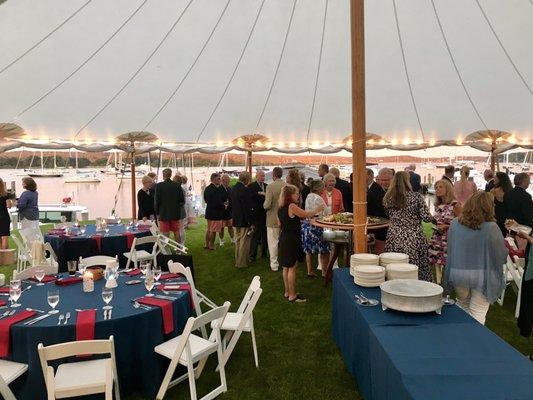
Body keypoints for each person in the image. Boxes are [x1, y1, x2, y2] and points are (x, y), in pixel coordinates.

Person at [444, 191, 507, 325]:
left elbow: (450, 247)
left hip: (459, 271)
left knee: (462, 305)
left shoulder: (455, 223)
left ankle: (460, 335)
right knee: (477, 310)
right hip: (481, 274)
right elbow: (500, 254)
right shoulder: (491, 227)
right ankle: (474, 340)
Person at [383, 171, 433, 281]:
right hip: (412, 235)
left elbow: (387, 214)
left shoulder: (388, 197)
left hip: (394, 234)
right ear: (408, 181)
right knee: (412, 267)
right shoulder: (416, 197)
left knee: (393, 264)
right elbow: (426, 217)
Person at [278, 184, 324, 302]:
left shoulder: (280, 207)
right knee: (292, 267)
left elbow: (279, 224)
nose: (298, 196)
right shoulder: (292, 206)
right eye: (296, 193)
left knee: (285, 267)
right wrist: (317, 209)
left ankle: (287, 292)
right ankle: (293, 295)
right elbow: (306, 214)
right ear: (290, 195)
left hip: (284, 238)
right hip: (291, 239)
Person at [428, 179, 461, 284]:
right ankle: (436, 288)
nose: (437, 189)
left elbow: (463, 224)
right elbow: (437, 221)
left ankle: (445, 291)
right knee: (434, 268)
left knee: (446, 268)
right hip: (436, 240)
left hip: (449, 240)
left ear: (448, 189)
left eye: (440, 187)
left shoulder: (455, 205)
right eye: (436, 187)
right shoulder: (438, 205)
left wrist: (447, 226)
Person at [301, 180, 330, 278]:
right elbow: (326, 212)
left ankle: (310, 271)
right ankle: (324, 272)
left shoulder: (308, 196)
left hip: (307, 224)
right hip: (317, 225)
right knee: (324, 250)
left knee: (308, 250)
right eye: (323, 187)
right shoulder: (319, 198)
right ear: (318, 188)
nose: (324, 189)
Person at [264, 167, 285, 272]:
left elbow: (267, 205)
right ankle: (284, 262)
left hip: (272, 218)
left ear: (273, 174)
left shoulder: (270, 187)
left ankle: (274, 265)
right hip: (285, 218)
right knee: (283, 241)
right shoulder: (286, 186)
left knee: (273, 242)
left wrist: (264, 204)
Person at [154, 168, 184, 243]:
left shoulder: (159, 186)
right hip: (175, 212)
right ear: (170, 175)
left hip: (163, 213)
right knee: (176, 232)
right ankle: (178, 250)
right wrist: (176, 207)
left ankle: (166, 251)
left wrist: (157, 212)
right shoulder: (177, 185)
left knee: (165, 232)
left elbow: (157, 201)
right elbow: (182, 201)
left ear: (163, 175)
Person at [231, 172, 254, 268]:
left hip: (236, 218)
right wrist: (250, 221)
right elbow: (247, 207)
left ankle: (237, 260)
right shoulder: (245, 190)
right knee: (243, 241)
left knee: (238, 240)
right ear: (246, 179)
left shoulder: (232, 188)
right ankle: (241, 262)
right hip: (244, 219)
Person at [367, 168, 389, 254]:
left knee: (380, 251)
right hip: (376, 225)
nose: (383, 182)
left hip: (381, 227)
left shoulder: (375, 188)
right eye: (381, 180)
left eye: (386, 180)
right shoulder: (374, 188)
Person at [203, 173, 226, 250]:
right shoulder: (215, 189)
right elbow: (218, 202)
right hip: (215, 213)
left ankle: (206, 244)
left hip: (209, 211)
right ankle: (211, 245)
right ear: (213, 179)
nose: (220, 180)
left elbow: (205, 200)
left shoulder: (207, 188)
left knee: (209, 229)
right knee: (213, 230)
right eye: (218, 179)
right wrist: (224, 206)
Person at [249, 170, 268, 261]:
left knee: (265, 235)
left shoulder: (266, 186)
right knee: (255, 235)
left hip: (265, 214)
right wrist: (259, 193)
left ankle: (264, 254)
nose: (263, 177)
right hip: (256, 214)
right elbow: (249, 198)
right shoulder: (252, 186)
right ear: (256, 176)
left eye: (264, 176)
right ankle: (252, 255)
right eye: (261, 176)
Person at [219, 174, 234, 245]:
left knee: (230, 226)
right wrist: (223, 204)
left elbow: (232, 199)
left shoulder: (230, 188)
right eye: (227, 180)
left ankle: (232, 239)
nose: (229, 181)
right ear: (223, 180)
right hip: (221, 212)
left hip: (229, 212)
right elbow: (217, 200)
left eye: (229, 180)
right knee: (221, 227)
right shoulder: (219, 189)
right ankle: (221, 241)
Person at [172, 174, 188, 245]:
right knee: (179, 229)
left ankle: (181, 244)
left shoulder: (180, 189)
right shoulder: (180, 189)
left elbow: (182, 202)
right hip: (178, 212)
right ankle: (180, 244)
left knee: (180, 229)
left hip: (179, 212)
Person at [0, 179, 13, 249]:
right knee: (4, 237)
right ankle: (5, 256)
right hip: (4, 217)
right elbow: (9, 206)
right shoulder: (5, 195)